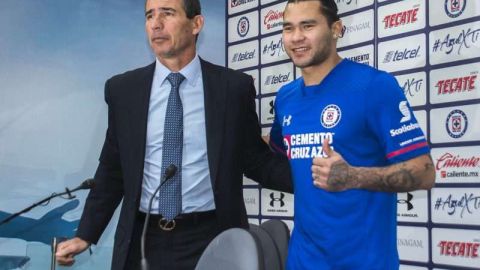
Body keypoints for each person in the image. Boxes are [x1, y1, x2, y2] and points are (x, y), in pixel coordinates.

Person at [55, 0, 291, 269]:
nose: (155, 24)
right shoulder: (123, 90)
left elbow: (255, 160)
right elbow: (112, 170)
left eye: (167, 13)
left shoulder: (233, 88)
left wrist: (313, 178)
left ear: (196, 24)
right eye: (149, 16)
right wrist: (86, 234)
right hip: (143, 238)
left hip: (214, 237)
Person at [269, 0, 435, 269]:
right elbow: (278, 146)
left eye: (308, 26)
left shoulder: (374, 86)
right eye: (288, 28)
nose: (296, 37)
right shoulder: (286, 97)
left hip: (363, 262)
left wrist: (353, 177)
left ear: (336, 29)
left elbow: (425, 172)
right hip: (302, 261)